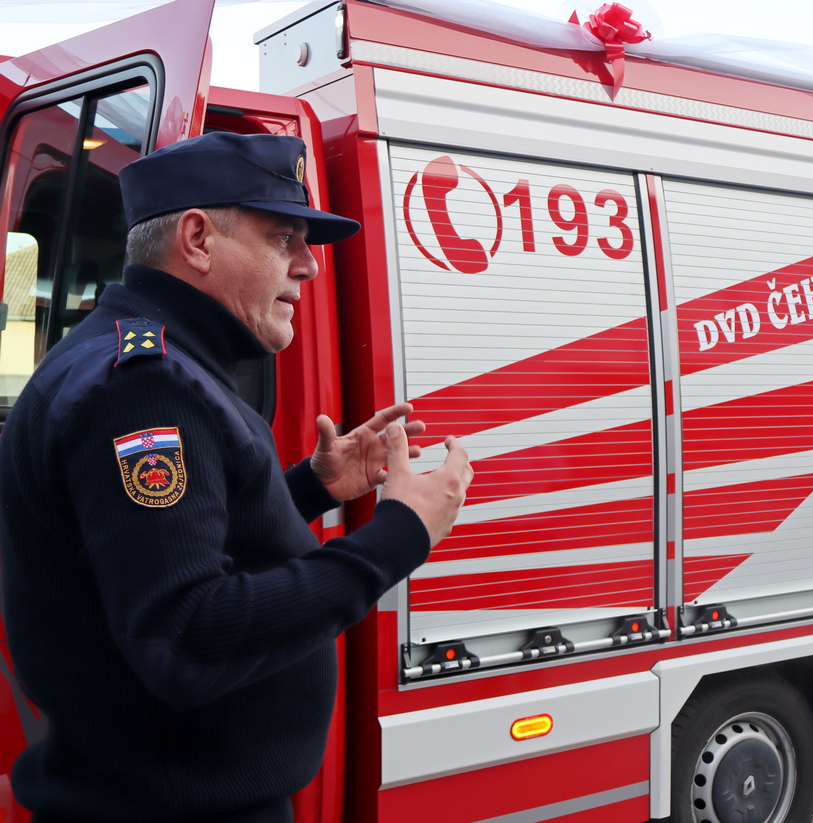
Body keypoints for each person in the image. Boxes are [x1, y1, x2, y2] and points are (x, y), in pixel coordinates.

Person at [0, 132, 472, 822]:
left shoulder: (138, 357)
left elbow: (153, 543)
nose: (309, 265)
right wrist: (399, 536)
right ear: (197, 239)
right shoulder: (144, 385)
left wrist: (310, 487)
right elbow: (187, 637)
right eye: (284, 238)